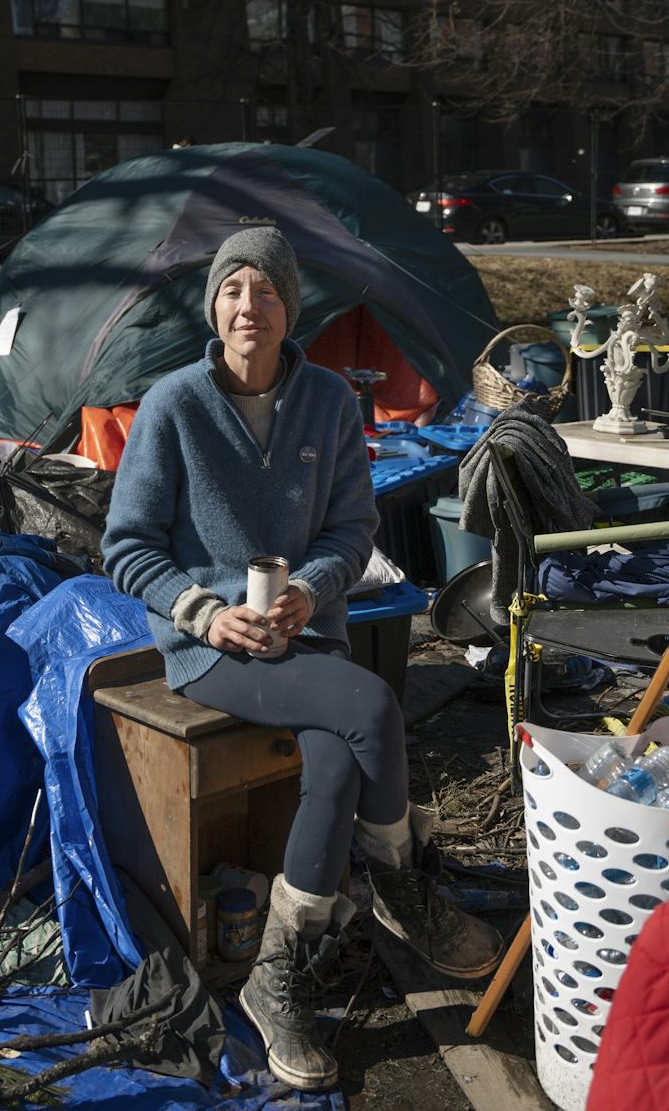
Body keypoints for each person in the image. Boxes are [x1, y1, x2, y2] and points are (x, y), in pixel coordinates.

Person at [102, 226, 503, 1091]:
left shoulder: (327, 399)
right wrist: (206, 614)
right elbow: (127, 548)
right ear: (213, 307)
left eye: (267, 290)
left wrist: (313, 591)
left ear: (291, 309)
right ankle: (400, 885)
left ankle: (275, 976)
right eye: (232, 289)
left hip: (307, 635)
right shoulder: (173, 404)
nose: (249, 306)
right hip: (210, 647)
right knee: (371, 706)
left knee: (337, 755)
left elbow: (352, 530)